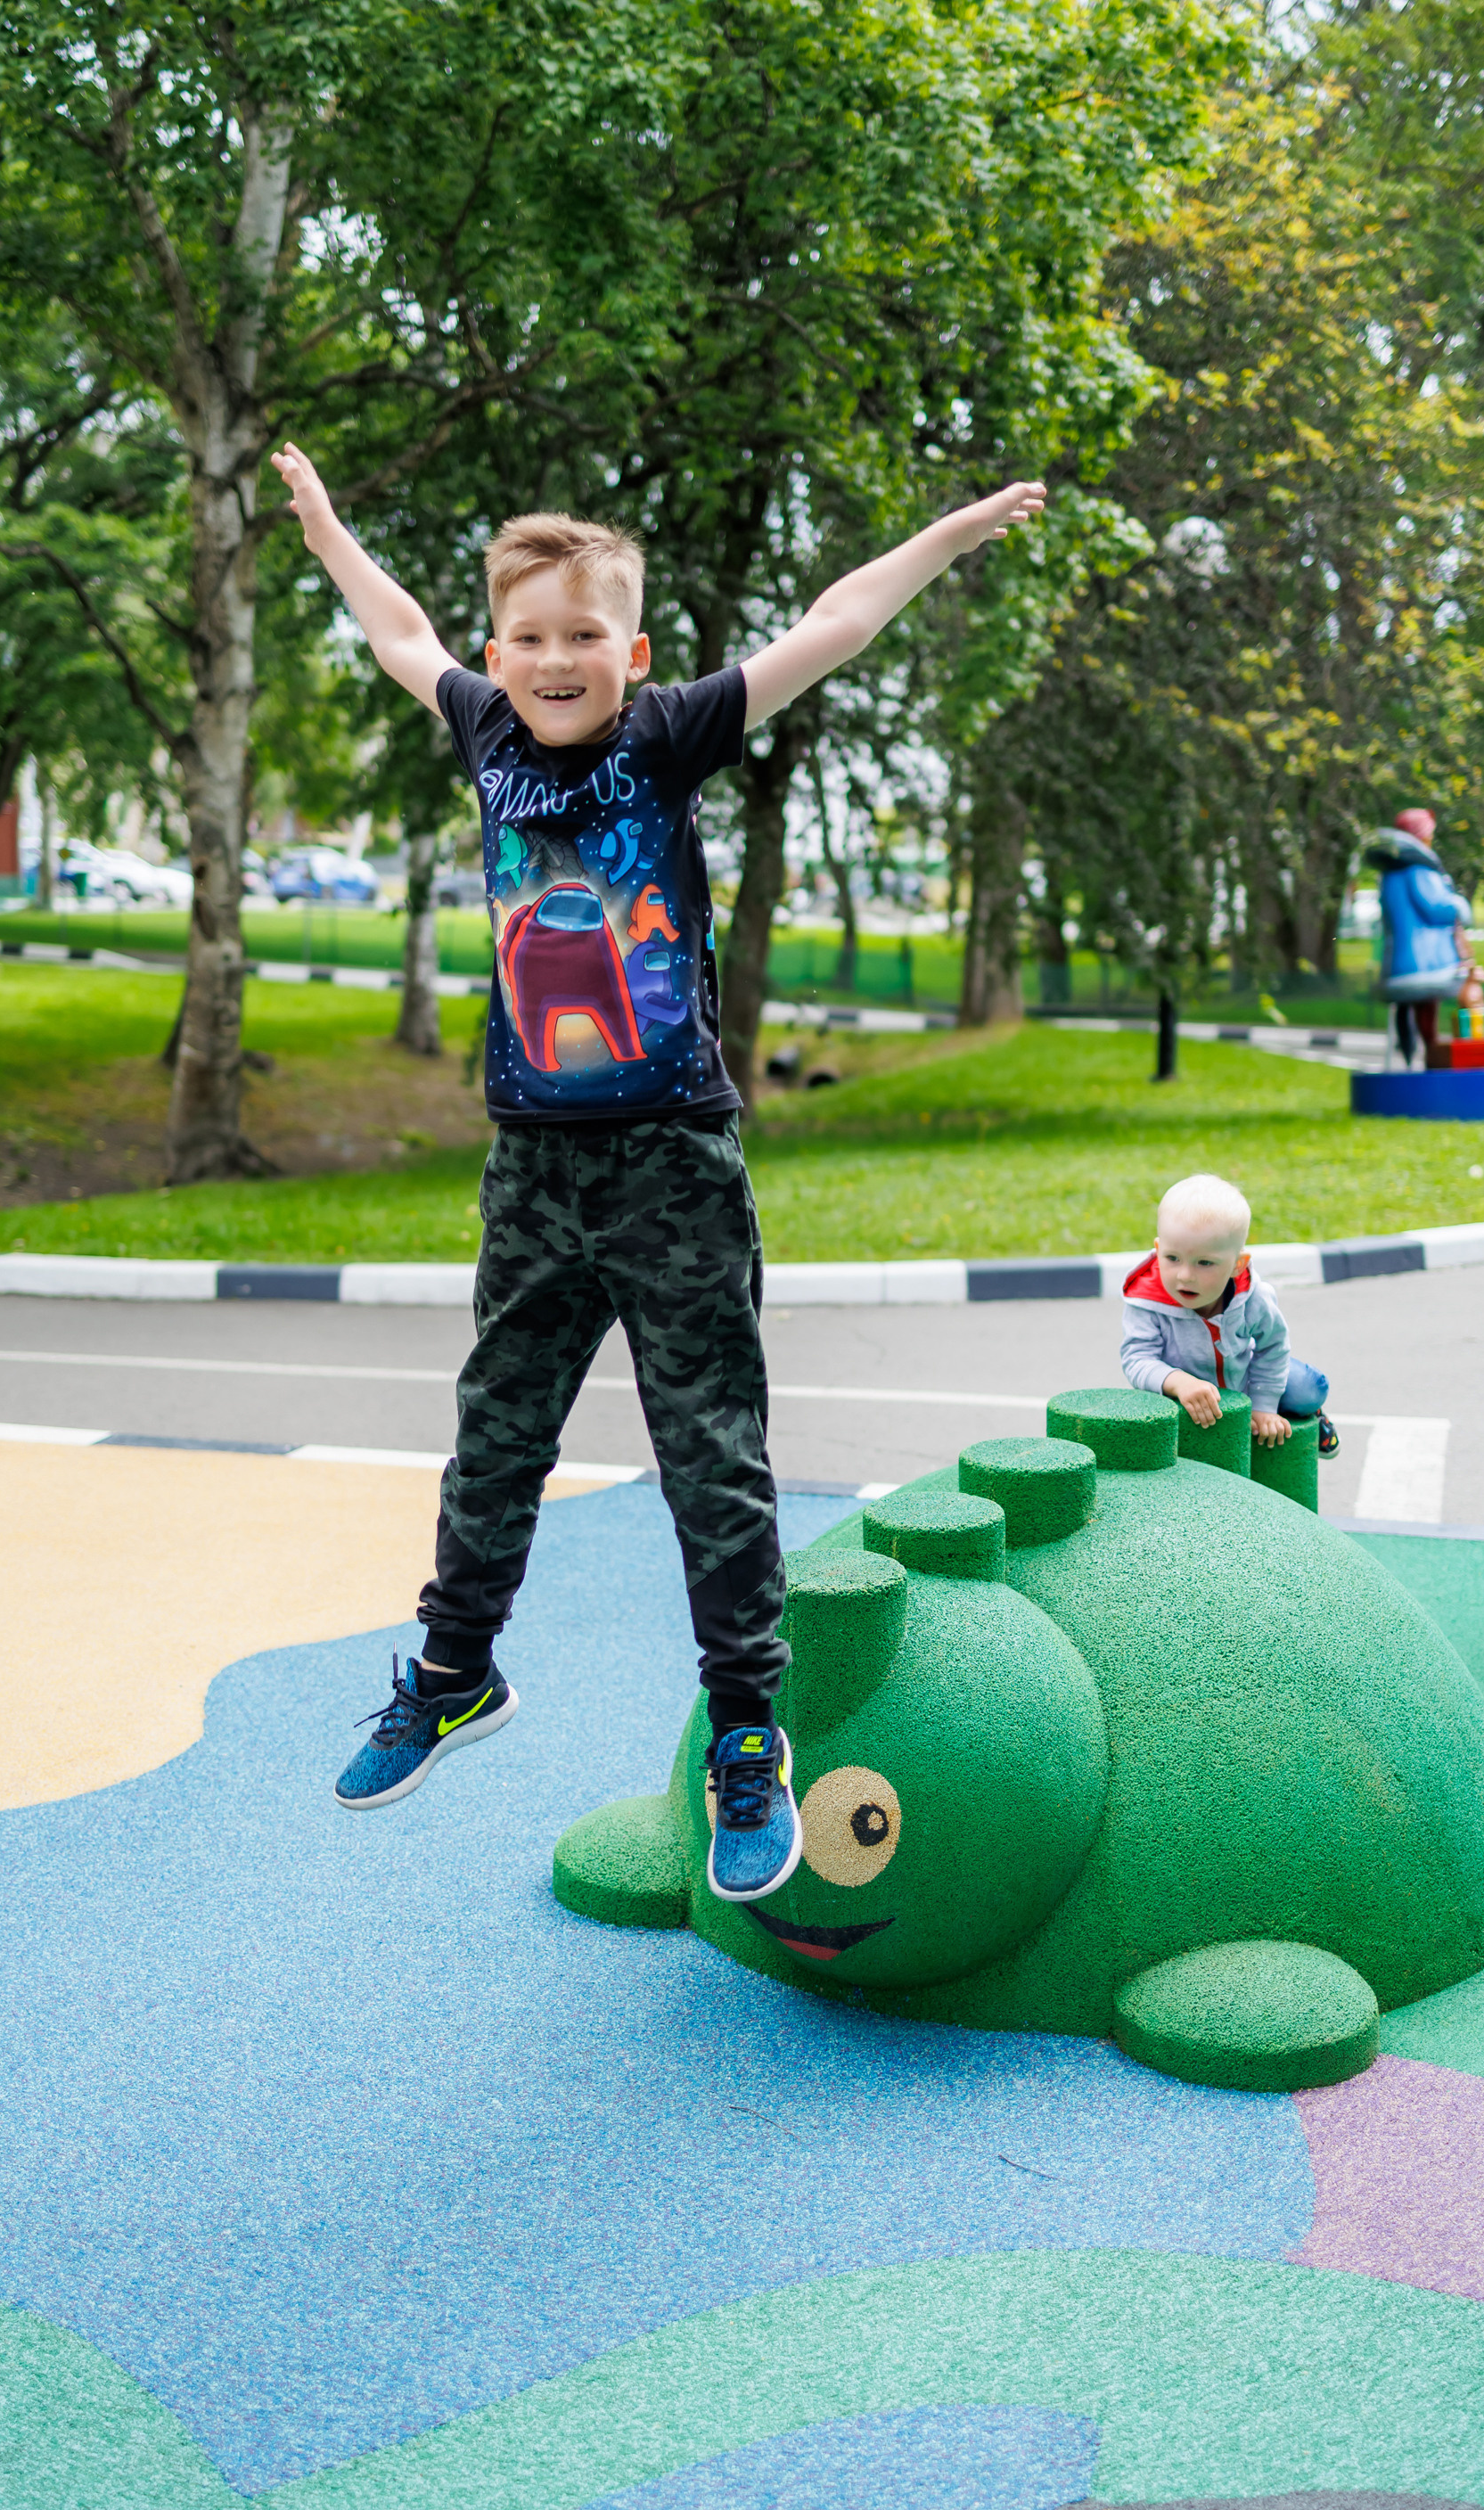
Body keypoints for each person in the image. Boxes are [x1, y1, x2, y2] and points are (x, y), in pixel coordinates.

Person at [269, 440, 1046, 1903]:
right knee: (495, 1441)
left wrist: (951, 531)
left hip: (671, 1167)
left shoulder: (669, 735)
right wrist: (326, 529)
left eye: (584, 639)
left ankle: (750, 1736)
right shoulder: (487, 731)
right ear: (504, 652)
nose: (556, 662)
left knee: (711, 1463)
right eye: (532, 639)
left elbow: (836, 623)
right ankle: (450, 1675)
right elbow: (396, 632)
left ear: (630, 652)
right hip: (532, 1171)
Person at [1120, 1174, 1340, 1459]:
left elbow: (1273, 1347)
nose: (1185, 1276)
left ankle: (1316, 1416)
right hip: (1181, 1389)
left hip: (1244, 1378)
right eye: (1172, 1258)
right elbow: (1137, 1359)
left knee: (1307, 1388)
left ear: (1237, 1265)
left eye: (1205, 1263)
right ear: (1158, 1250)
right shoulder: (1145, 1299)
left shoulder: (1254, 1297)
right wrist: (1179, 1382)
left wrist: (1263, 1407)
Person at [1366, 807, 1472, 1067]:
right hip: (1426, 958)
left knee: (1406, 1008)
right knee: (1426, 1006)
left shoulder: (1390, 872)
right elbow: (1434, 906)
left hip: (1400, 955)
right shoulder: (1419, 869)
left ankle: (1408, 1056)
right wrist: (1458, 904)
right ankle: (1429, 1054)